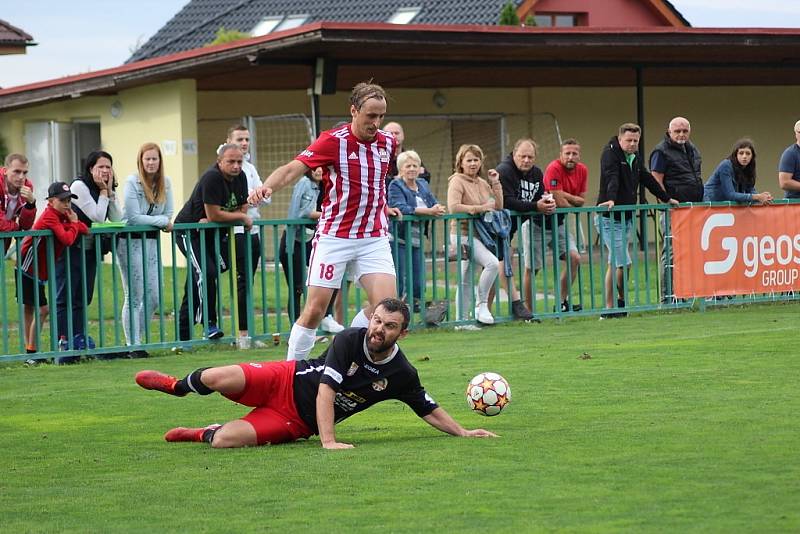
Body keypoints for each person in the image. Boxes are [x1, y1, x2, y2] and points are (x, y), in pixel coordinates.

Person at [134, 298, 497, 448]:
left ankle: (202, 431)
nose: (378, 330)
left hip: (296, 423)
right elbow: (326, 391)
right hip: (284, 378)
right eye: (376, 321)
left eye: (389, 326)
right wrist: (330, 442)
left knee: (225, 442)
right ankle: (178, 386)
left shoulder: (402, 373)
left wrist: (463, 431)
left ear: (402, 334)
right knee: (215, 377)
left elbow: (427, 407)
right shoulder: (349, 339)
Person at [248, 82, 402, 361]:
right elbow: (292, 168)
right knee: (315, 311)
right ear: (353, 111)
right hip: (335, 236)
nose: (376, 123)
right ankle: (290, 374)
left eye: (381, 116)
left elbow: (375, 184)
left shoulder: (388, 143)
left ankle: (343, 356)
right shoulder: (333, 140)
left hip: (373, 237)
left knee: (387, 311)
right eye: (371, 115)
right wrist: (267, 186)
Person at [596, 123, 677, 319]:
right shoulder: (610, 153)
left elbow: (647, 179)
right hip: (608, 217)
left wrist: (666, 198)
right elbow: (611, 177)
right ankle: (615, 305)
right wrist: (612, 198)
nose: (632, 144)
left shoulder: (634, 157)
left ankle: (613, 306)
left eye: (635, 141)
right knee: (623, 263)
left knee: (616, 263)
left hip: (626, 217)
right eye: (629, 140)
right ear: (620, 138)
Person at [174, 144, 251, 342]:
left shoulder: (241, 177)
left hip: (212, 234)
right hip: (189, 232)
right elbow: (214, 213)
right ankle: (208, 323)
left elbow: (243, 206)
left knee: (202, 277)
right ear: (219, 162)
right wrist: (238, 218)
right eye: (231, 162)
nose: (236, 166)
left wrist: (226, 217)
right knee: (206, 273)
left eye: (239, 162)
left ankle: (182, 335)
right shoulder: (212, 177)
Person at [55, 150, 121, 358]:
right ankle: (65, 343)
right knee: (66, 296)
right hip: (70, 248)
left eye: (108, 167)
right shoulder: (79, 186)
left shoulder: (105, 188)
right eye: (100, 167)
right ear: (90, 169)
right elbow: (99, 217)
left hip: (90, 250)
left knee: (83, 297)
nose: (105, 171)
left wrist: (109, 192)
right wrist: (103, 193)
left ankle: (79, 338)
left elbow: (117, 216)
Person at [18, 182, 89, 364]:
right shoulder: (50, 215)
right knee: (41, 310)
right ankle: (32, 354)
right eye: (63, 200)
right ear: (50, 201)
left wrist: (73, 224)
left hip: (41, 269)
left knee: (36, 310)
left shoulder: (63, 215)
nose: (67, 204)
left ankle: (32, 354)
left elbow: (85, 229)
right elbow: (67, 239)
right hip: (28, 266)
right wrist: (73, 224)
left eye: (69, 200)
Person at [118, 143, 174, 358]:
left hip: (150, 241)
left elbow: (169, 212)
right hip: (129, 240)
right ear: (141, 161)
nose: (151, 163)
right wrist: (160, 221)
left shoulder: (165, 183)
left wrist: (161, 221)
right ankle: (133, 344)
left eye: (155, 159)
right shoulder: (132, 182)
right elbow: (133, 217)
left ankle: (136, 340)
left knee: (154, 297)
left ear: (160, 161)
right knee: (134, 295)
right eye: (147, 159)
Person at [447, 144, 506, 324]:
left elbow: (498, 206)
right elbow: (454, 206)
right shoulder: (456, 180)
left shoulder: (481, 182)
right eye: (469, 160)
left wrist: (495, 182)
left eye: (476, 160)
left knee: (465, 278)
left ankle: (461, 322)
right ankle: (481, 305)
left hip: (480, 234)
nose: (473, 164)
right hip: (462, 233)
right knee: (492, 263)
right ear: (461, 162)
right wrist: (480, 208)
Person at [223, 125, 271, 344]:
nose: (244, 143)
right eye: (240, 139)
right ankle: (240, 334)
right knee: (239, 282)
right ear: (229, 141)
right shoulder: (225, 168)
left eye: (246, 139)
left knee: (248, 282)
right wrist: (252, 196)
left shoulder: (250, 167)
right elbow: (238, 199)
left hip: (254, 229)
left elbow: (265, 195)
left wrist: (255, 195)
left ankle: (247, 332)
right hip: (236, 230)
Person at [279, 166, 341, 330]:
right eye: (315, 168)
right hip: (295, 240)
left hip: (311, 239)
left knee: (331, 275)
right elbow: (304, 212)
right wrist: (330, 214)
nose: (319, 171)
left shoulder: (327, 184)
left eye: (322, 168)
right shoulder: (305, 183)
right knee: (297, 286)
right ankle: (296, 326)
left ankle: (326, 317)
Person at [496, 139, 553, 318]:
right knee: (497, 264)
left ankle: (491, 312)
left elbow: (540, 194)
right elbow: (507, 201)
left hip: (509, 229)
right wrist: (536, 206)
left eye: (530, 157)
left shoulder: (536, 173)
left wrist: (548, 202)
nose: (526, 160)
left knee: (494, 267)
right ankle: (514, 304)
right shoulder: (504, 171)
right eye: (522, 156)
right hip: (492, 227)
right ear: (514, 155)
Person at [649, 117, 703, 303]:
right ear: (669, 131)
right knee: (671, 252)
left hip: (692, 209)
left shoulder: (692, 149)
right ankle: (667, 296)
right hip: (673, 210)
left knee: (690, 252)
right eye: (677, 131)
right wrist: (666, 203)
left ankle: (685, 294)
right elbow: (656, 180)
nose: (681, 134)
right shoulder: (661, 152)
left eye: (684, 131)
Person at [388, 150, 446, 312]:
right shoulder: (396, 184)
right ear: (401, 168)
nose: (412, 169)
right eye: (408, 166)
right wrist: (428, 211)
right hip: (398, 238)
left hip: (417, 238)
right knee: (398, 280)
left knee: (418, 281)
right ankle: (393, 313)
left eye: (415, 165)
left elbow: (432, 202)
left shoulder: (422, 184)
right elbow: (400, 207)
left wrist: (438, 208)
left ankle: (409, 311)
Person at [543, 138, 587, 312]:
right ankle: (526, 309)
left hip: (559, 224)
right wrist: (572, 198)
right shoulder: (553, 168)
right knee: (533, 268)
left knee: (574, 258)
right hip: (538, 223)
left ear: (579, 155)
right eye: (567, 153)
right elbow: (558, 200)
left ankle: (561, 303)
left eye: (574, 153)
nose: (570, 157)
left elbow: (581, 201)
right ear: (560, 155)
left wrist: (564, 195)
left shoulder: (582, 170)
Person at [704, 138, 773, 205]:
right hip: (710, 204)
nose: (744, 156)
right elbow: (730, 194)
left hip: (726, 206)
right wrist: (757, 197)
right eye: (741, 153)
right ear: (735, 155)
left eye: (748, 153)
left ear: (752, 156)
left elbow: (750, 189)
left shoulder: (748, 168)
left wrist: (764, 197)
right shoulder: (726, 166)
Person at [0, 153, 37, 251]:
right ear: (5, 170)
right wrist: (17, 228)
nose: (21, 177)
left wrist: (31, 204)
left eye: (25, 173)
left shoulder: (27, 187)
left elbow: (26, 225)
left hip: (4, 239)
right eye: (16, 171)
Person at [384, 121, 431, 187]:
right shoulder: (379, 158)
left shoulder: (411, 156)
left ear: (403, 135)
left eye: (397, 133)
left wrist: (398, 178)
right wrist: (411, 176)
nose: (394, 136)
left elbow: (425, 177)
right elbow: (384, 183)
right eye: (390, 133)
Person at [777, 119, 800, 200]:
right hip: (795, 204)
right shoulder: (790, 153)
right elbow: (784, 182)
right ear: (796, 134)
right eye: (799, 132)